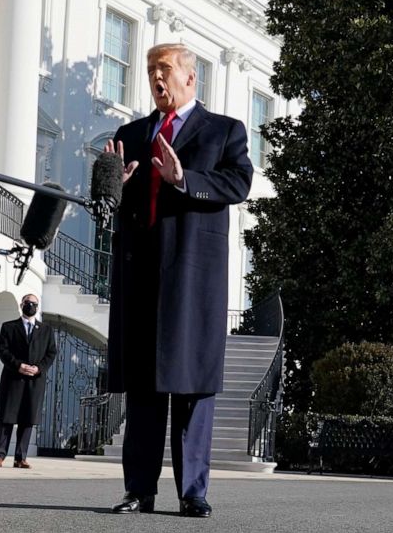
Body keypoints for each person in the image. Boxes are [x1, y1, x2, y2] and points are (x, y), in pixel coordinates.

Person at [105, 43, 253, 518]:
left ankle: (193, 492)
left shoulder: (225, 131)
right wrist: (113, 183)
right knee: (144, 390)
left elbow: (239, 184)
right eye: (151, 71)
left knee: (190, 388)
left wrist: (183, 178)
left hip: (192, 278)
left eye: (164, 70)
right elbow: (104, 200)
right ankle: (138, 490)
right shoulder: (130, 133)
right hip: (140, 276)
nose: (156, 79)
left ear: (192, 78)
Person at [0, 293, 56, 469]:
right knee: (6, 418)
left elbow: (51, 353)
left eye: (34, 303)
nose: (31, 306)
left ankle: (21, 457)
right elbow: (3, 351)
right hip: (13, 378)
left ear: (38, 306)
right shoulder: (9, 327)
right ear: (21, 305)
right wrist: (18, 365)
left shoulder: (46, 330)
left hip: (35, 380)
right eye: (28, 303)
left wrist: (39, 368)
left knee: (27, 419)